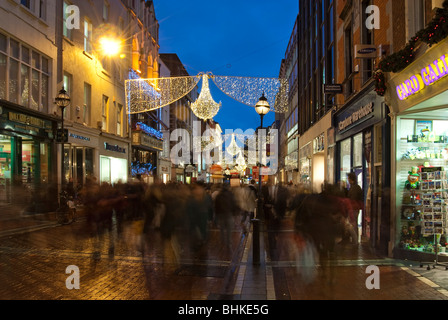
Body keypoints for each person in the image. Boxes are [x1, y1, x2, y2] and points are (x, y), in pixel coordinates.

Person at [347, 173, 363, 244]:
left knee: (352, 224)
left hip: (353, 208)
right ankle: (354, 239)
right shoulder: (357, 187)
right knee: (354, 223)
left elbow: (352, 199)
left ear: (351, 179)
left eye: (348, 178)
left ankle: (355, 240)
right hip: (356, 208)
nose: (348, 180)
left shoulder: (354, 188)